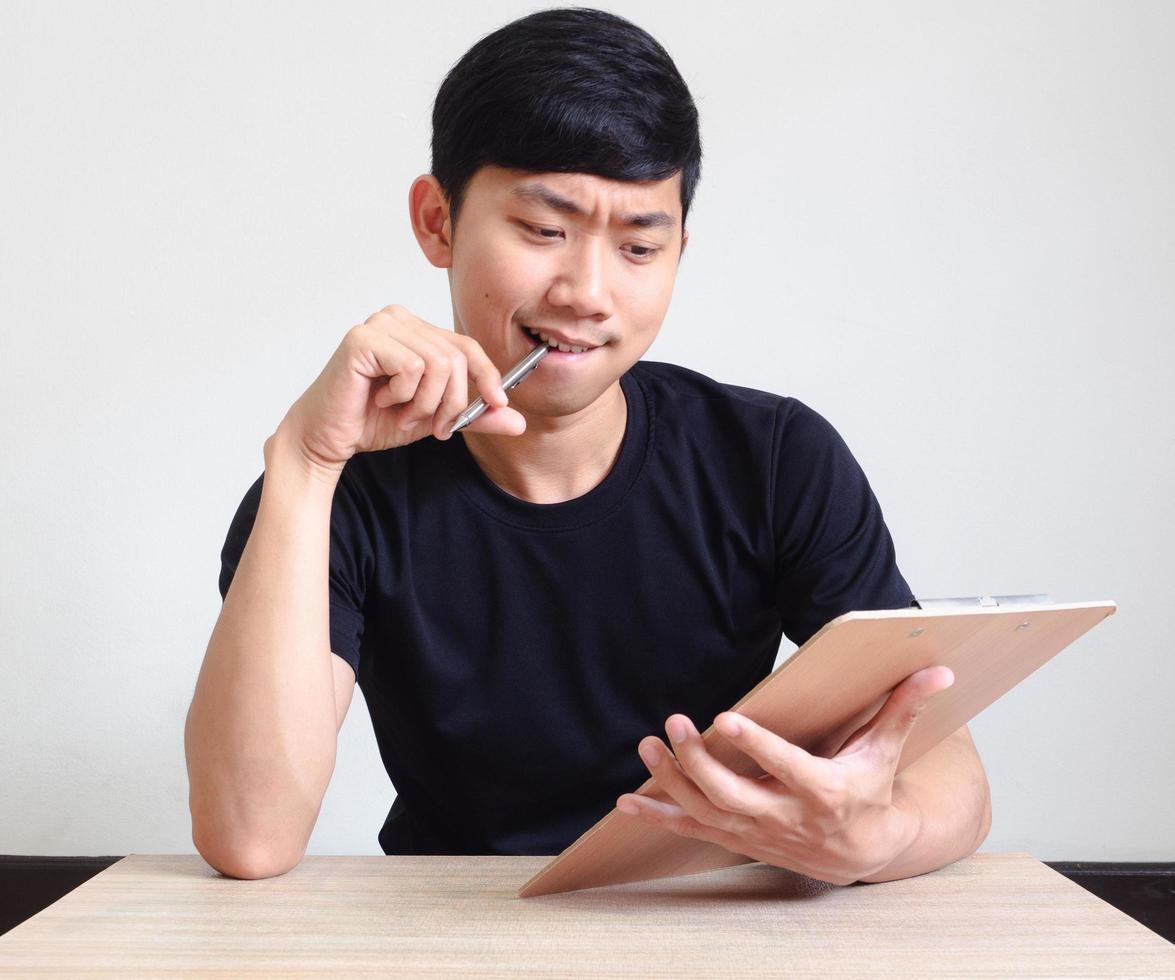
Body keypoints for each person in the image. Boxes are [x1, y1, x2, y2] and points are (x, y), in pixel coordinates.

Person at [185, 7, 991, 884]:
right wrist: (303, 463)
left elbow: (946, 765)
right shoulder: (337, 491)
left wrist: (879, 836)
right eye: (543, 230)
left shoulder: (772, 458)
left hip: (710, 918)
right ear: (436, 221)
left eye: (640, 245)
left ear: (681, 247)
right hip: (453, 924)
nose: (587, 292)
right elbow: (249, 837)